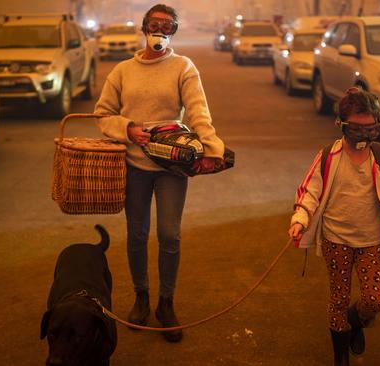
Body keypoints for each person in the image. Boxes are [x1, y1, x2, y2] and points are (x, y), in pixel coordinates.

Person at [94, 4, 224, 343]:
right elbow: (103, 114)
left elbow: (198, 112)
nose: (160, 31)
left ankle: (166, 304)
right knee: (136, 235)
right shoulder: (122, 70)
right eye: (155, 24)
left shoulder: (183, 67)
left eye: (168, 26)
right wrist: (128, 128)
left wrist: (212, 150)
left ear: (174, 32)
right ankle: (141, 298)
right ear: (144, 27)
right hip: (133, 165)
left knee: (169, 235)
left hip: (171, 166)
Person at [288, 87, 380, 365]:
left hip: (369, 242)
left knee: (375, 300)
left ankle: (354, 322)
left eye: (371, 129)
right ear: (342, 125)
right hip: (336, 240)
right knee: (338, 296)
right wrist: (300, 219)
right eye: (358, 129)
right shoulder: (328, 157)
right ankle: (340, 355)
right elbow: (309, 191)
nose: (365, 136)